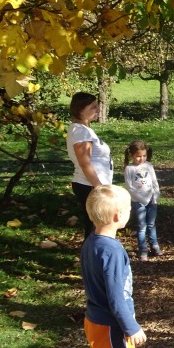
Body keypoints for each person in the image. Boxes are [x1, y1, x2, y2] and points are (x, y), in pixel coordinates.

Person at [81, 185, 151, 348]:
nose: (130, 212)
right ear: (117, 216)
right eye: (128, 209)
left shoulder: (93, 241)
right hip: (111, 325)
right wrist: (131, 326)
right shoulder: (110, 251)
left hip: (97, 319)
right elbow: (116, 297)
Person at [67, 92, 113, 240]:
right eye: (93, 107)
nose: (98, 109)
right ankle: (91, 253)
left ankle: (91, 252)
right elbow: (84, 163)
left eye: (97, 106)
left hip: (91, 185)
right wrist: (98, 187)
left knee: (96, 225)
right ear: (80, 109)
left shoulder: (83, 130)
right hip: (89, 185)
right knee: (97, 227)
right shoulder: (80, 132)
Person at [123, 140, 162, 261]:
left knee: (151, 224)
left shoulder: (148, 166)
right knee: (141, 226)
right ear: (132, 155)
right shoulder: (129, 168)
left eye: (144, 156)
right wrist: (142, 199)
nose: (141, 159)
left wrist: (155, 196)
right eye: (138, 156)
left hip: (152, 201)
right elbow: (129, 187)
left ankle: (155, 246)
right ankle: (143, 249)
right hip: (138, 202)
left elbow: (154, 182)